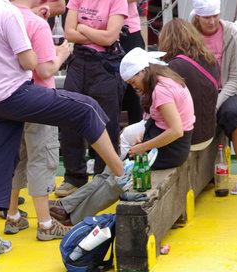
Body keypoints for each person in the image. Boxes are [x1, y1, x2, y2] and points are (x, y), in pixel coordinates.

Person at [0, 0, 125, 260]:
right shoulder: (9, 14)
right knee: (86, 108)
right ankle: (121, 174)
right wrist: (58, 54)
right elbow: (29, 62)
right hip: (15, 94)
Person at [50, 46, 195, 225]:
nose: (133, 86)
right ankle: (65, 206)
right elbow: (164, 121)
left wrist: (144, 146)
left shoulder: (161, 90)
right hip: (162, 140)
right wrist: (144, 134)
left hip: (171, 149)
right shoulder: (164, 78)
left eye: (133, 81)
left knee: (120, 179)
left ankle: (72, 216)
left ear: (143, 71)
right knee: (111, 169)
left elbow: (176, 130)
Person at [4, 0, 72, 242]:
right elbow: (44, 70)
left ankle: (12, 214)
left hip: (9, 99)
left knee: (17, 159)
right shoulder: (36, 25)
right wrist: (62, 54)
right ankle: (45, 223)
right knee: (41, 157)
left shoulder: (2, 18)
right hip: (39, 99)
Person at [55, 0, 128, 197]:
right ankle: (74, 177)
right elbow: (68, 33)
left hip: (106, 65)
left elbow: (110, 38)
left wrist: (83, 28)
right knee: (69, 119)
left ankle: (102, 178)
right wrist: (98, 35)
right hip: (79, 63)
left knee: (108, 123)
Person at [190, 0, 237, 194]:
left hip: (229, 89)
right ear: (197, 17)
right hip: (200, 90)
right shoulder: (190, 36)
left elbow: (236, 78)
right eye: (206, 17)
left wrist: (215, 105)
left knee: (234, 113)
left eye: (215, 16)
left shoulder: (234, 35)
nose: (211, 21)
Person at [159, 17, 219, 150]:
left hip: (187, 140)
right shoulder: (210, 59)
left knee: (129, 134)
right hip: (208, 135)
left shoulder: (172, 67)